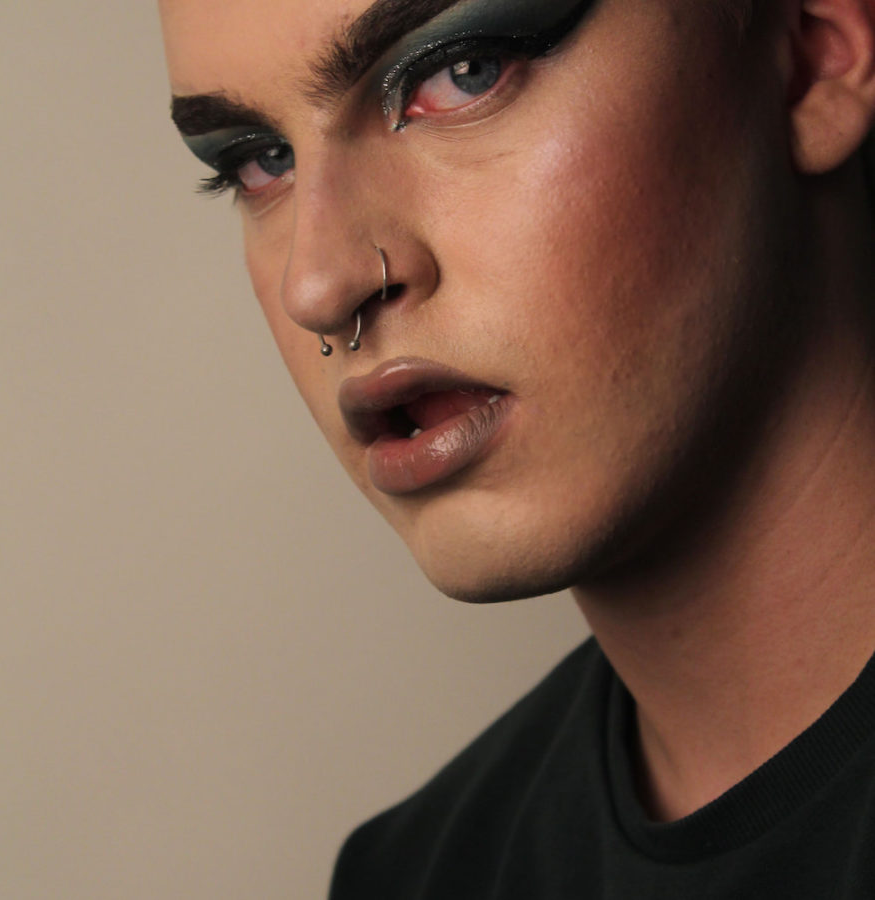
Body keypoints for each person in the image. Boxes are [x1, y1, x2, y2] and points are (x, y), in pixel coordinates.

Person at [158, 0, 875, 895]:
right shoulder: (415, 876)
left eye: (461, 72)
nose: (321, 284)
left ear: (812, 49)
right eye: (258, 161)